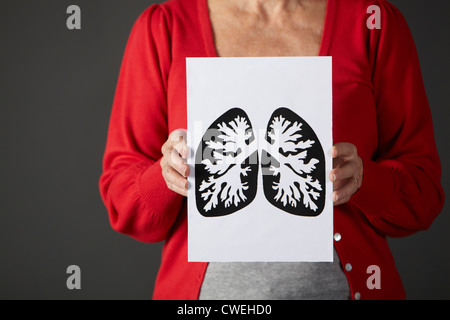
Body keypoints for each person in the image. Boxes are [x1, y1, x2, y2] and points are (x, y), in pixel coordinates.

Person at [99, 0, 444, 300]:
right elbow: (121, 198)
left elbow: (424, 192)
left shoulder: (373, 22)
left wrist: (365, 181)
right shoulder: (164, 27)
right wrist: (165, 177)